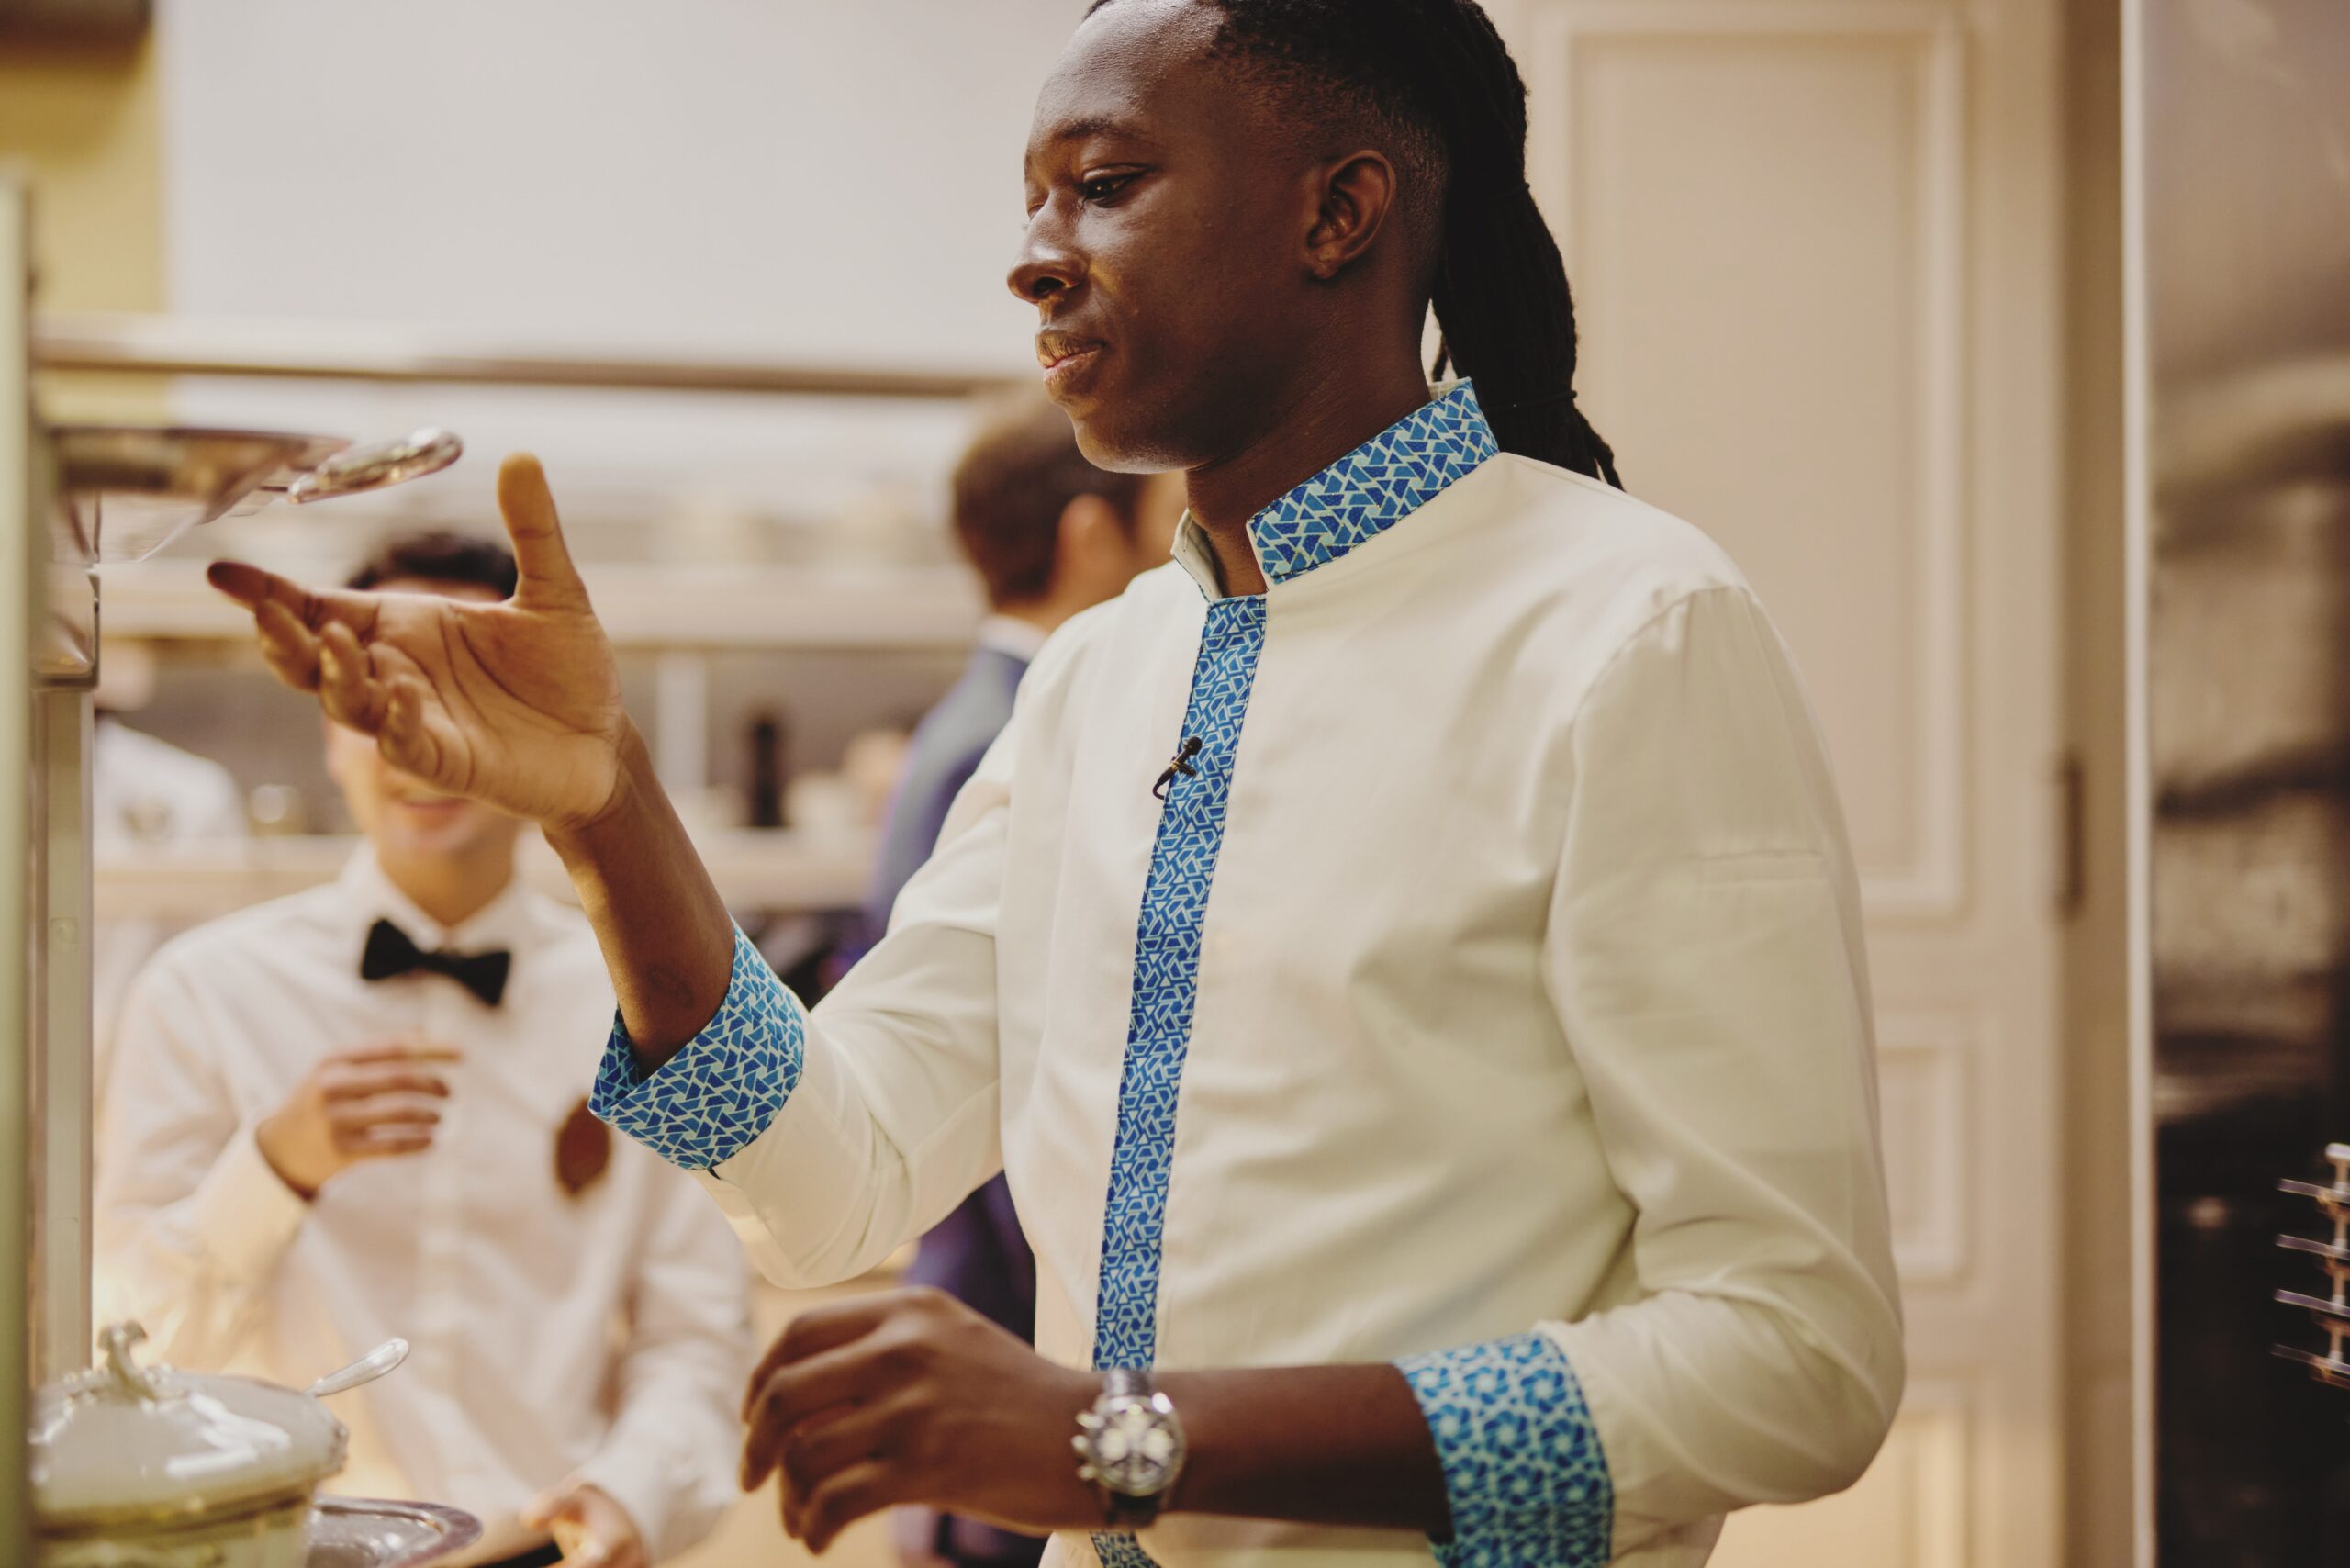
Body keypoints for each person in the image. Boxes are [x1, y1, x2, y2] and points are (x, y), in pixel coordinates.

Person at [208, 3, 1904, 1565]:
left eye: (1101, 186)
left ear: (1337, 213)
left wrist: (1127, 1440)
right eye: (1031, 200)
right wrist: (603, 802)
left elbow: (1795, 1355)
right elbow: (833, 1185)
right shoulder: (1099, 677)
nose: (1031, 259)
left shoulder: (1631, 631)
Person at [98, 533, 753, 1568]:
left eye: (464, 694)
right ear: (330, 726)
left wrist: (630, 1496)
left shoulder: (644, 1006)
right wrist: (272, 1169)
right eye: (379, 695)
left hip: (550, 1547)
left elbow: (697, 1336)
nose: (413, 738)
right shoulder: (201, 996)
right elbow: (129, 1355)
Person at [871, 398, 1181, 1568]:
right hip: (1016, 1314)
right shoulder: (1018, 721)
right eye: (1162, 512)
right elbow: (1002, 1045)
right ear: (1091, 536)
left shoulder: (975, 711)